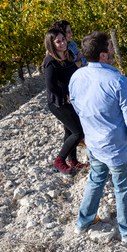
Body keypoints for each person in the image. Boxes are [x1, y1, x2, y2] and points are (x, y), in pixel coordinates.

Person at [69, 31, 127, 242]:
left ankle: (82, 223)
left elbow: (76, 106)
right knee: (123, 187)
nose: (113, 50)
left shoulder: (77, 77)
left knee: (95, 180)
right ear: (104, 55)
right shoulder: (120, 82)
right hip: (117, 147)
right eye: (110, 47)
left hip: (93, 143)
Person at [43, 27, 86, 175]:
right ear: (51, 44)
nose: (63, 43)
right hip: (58, 103)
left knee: (69, 131)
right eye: (58, 42)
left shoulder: (66, 57)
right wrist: (65, 95)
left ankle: (72, 160)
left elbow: (70, 72)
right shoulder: (50, 62)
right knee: (78, 132)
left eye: (63, 40)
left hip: (69, 101)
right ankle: (59, 160)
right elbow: (51, 86)